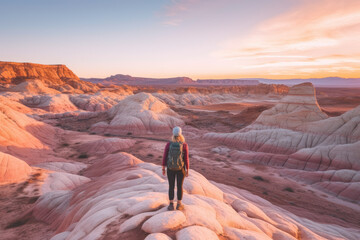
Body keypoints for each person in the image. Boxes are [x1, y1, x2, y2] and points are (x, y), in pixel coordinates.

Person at [162, 126, 189, 211]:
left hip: (170, 168)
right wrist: (187, 169)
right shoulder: (184, 144)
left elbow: (165, 156)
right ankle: (179, 204)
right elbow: (186, 158)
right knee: (179, 186)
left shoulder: (169, 144)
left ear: (173, 134)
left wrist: (163, 168)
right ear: (181, 134)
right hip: (180, 169)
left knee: (171, 186)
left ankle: (170, 205)